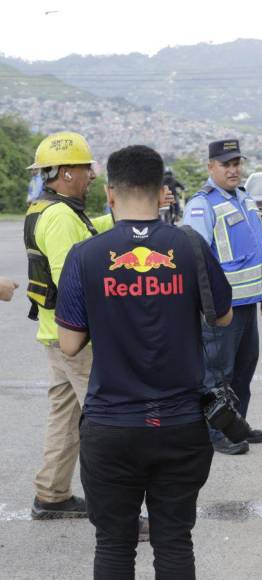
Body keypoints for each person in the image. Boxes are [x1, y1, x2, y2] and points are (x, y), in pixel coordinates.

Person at [55, 144, 232, 578]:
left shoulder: (86, 255)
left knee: (113, 545)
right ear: (161, 191)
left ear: (111, 195)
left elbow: (70, 344)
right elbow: (224, 315)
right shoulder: (188, 247)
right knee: (174, 540)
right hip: (181, 424)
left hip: (112, 426)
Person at [23, 131, 114, 520]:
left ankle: (52, 495)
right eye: (85, 167)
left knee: (65, 419)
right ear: (65, 172)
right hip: (77, 341)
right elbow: (71, 282)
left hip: (56, 336)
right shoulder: (59, 216)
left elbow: (86, 232)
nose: (92, 174)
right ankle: (115, 509)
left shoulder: (47, 209)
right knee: (108, 420)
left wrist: (119, 215)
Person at [183, 139, 262, 455]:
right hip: (222, 307)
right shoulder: (202, 204)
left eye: (237, 163)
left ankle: (238, 425)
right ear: (211, 167)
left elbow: (256, 251)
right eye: (226, 164)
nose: (233, 169)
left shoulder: (244, 199)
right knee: (218, 374)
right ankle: (215, 432)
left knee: (243, 370)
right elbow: (194, 256)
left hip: (248, 302)